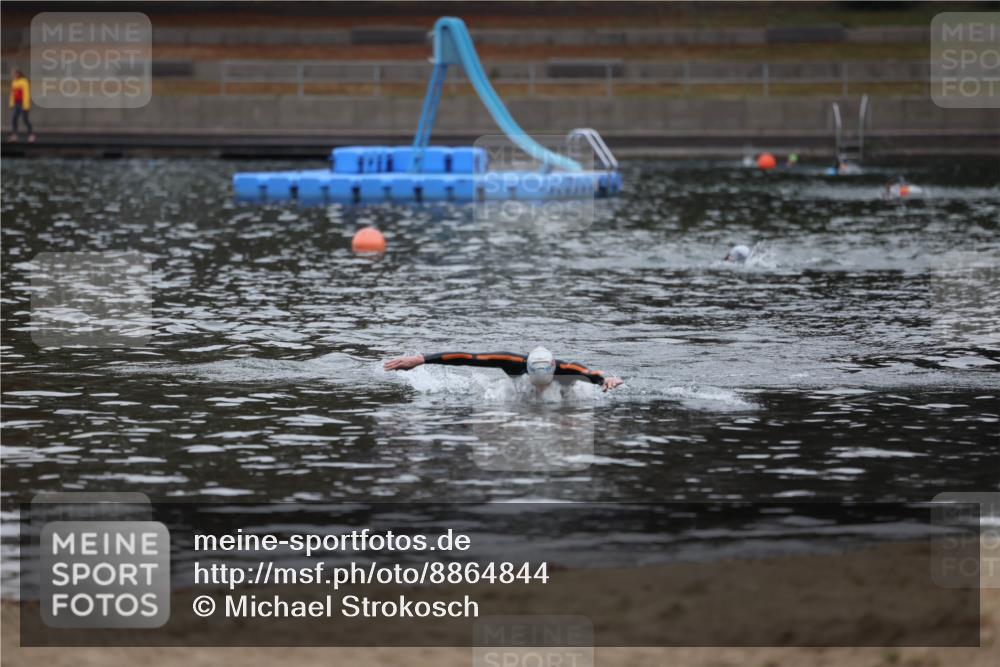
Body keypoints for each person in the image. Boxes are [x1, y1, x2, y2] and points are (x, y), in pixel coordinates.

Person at [384, 346, 624, 392]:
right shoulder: (511, 361)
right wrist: (421, 359)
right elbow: (466, 357)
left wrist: (608, 379)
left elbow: (594, 374)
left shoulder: (568, 370)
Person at [8, 69, 35, 143]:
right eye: (14, 74)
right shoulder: (14, 82)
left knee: (25, 120)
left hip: (22, 104)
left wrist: (25, 105)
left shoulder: (24, 82)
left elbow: (26, 94)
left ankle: (31, 135)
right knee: (14, 119)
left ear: (19, 74)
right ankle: (14, 135)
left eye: (15, 74)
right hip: (16, 104)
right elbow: (12, 94)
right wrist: (11, 103)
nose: (14, 75)